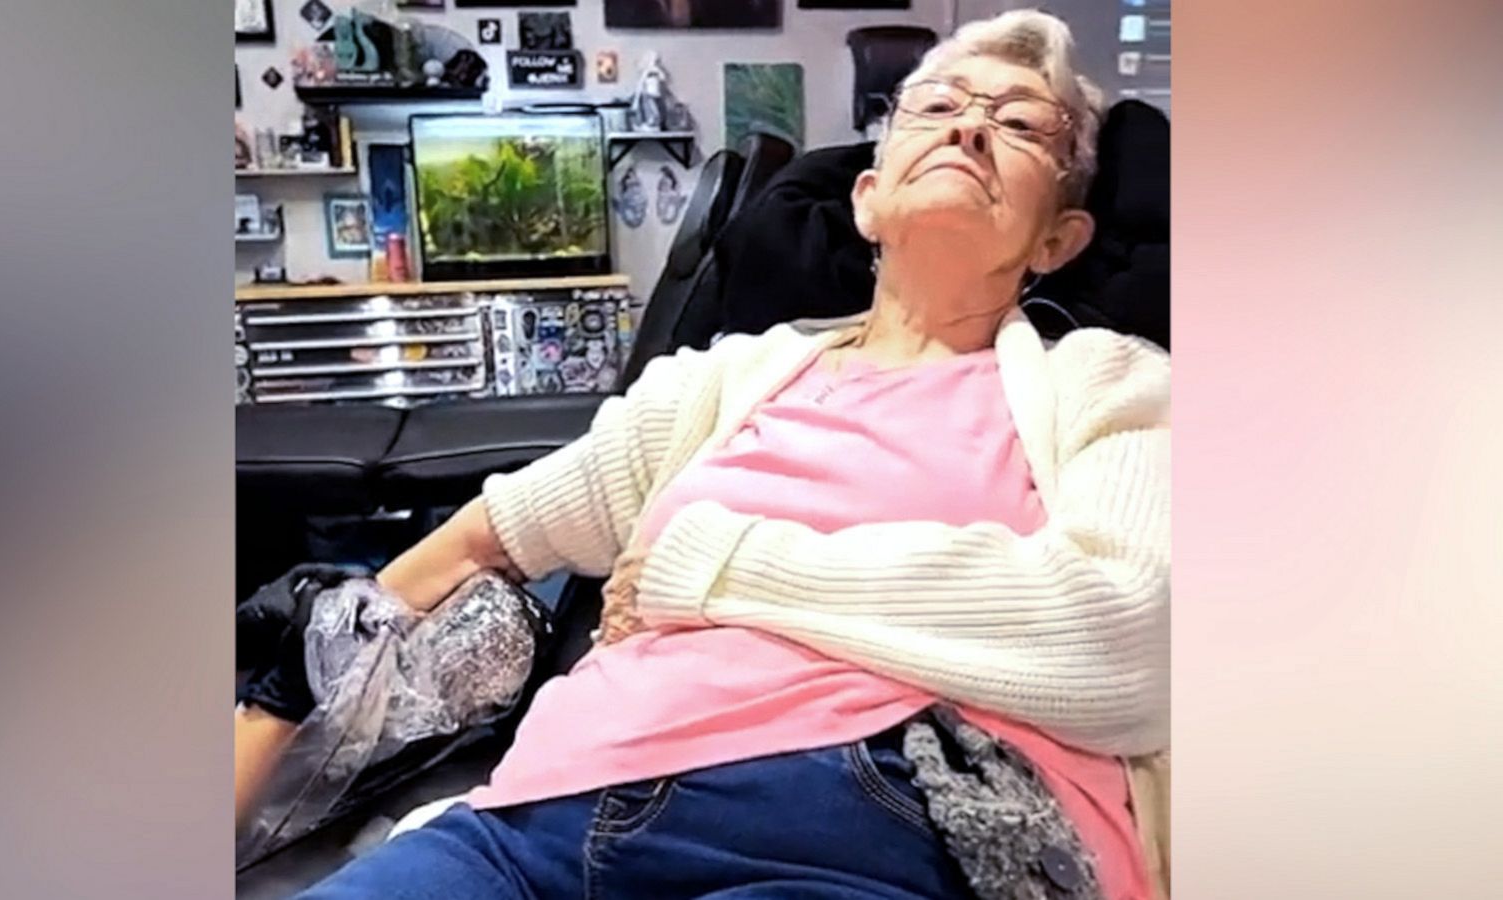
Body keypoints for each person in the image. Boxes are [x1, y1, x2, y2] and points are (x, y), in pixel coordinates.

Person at [237, 9, 1169, 898]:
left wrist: (708, 566)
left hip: (864, 815)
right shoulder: (723, 382)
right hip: (548, 810)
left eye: (1020, 124)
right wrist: (280, 701)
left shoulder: (1105, 385)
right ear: (868, 197)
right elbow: (488, 535)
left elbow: (1124, 639)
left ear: (1059, 237)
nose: (970, 128)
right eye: (939, 105)